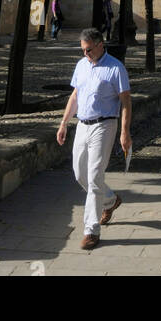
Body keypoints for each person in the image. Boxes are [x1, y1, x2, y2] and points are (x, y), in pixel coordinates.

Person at [57, 28, 131, 250]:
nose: (86, 54)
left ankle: (91, 230)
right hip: (82, 124)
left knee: (94, 175)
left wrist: (125, 132)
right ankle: (110, 200)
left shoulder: (116, 68)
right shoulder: (81, 65)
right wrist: (63, 123)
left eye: (89, 50)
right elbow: (76, 95)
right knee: (80, 173)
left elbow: (126, 102)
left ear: (100, 44)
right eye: (83, 50)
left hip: (105, 124)